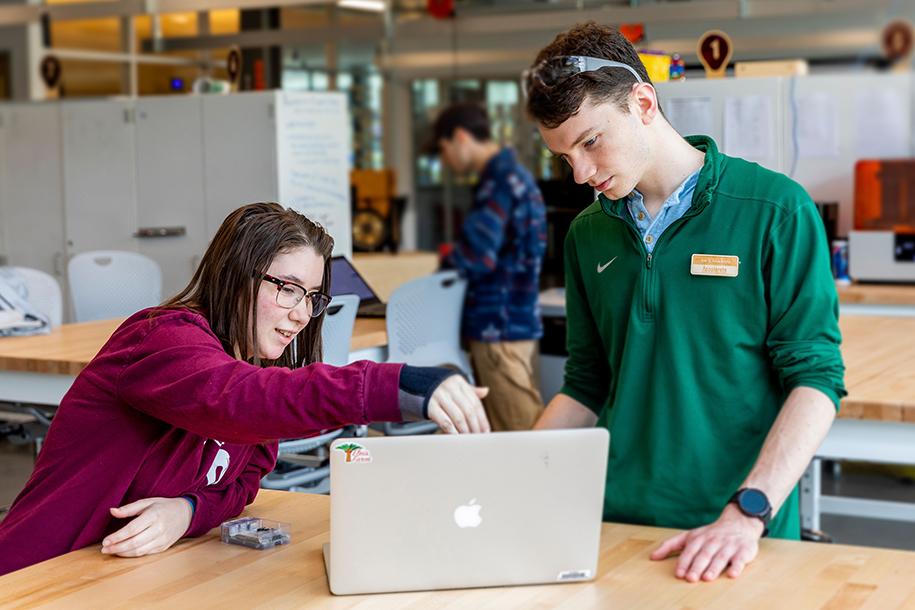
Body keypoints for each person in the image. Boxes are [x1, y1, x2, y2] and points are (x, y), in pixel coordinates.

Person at [0, 202, 489, 576]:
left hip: (125, 577)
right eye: (286, 288)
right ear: (237, 276)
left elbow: (243, 484)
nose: (301, 314)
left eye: (312, 298)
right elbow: (239, 399)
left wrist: (186, 511)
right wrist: (396, 383)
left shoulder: (248, 362)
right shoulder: (162, 340)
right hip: (37, 574)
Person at [524, 23, 845, 582]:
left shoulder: (775, 210)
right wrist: (507, 476)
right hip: (618, 527)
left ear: (642, 102)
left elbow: (816, 381)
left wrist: (748, 513)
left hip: (739, 533)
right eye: (563, 156)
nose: (580, 174)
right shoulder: (587, 235)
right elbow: (586, 382)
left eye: (590, 142)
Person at [431, 102, 548, 431]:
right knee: (517, 426)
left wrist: (444, 260)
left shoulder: (497, 182)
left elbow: (477, 256)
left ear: (460, 138)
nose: (446, 161)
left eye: (444, 150)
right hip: (516, 319)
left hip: (498, 325)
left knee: (520, 434)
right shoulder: (515, 176)